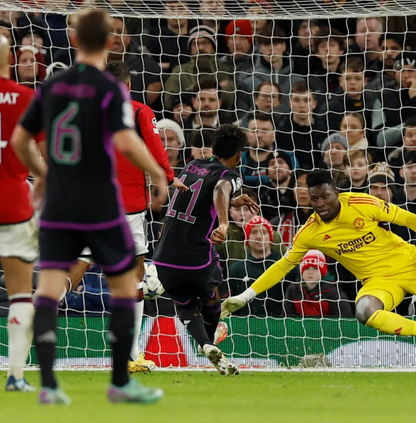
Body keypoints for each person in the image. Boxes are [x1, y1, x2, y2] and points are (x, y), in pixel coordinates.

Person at [12, 10, 166, 404]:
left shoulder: (51, 86)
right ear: (112, 41)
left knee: (47, 287)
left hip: (59, 202)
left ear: (75, 39)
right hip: (100, 201)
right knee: (124, 285)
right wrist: (158, 174)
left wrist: (42, 174)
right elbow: (127, 141)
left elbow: (19, 140)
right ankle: (120, 380)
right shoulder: (110, 88)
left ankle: (47, 385)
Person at [221, 169, 416, 363]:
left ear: (337, 193)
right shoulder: (310, 232)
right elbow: (281, 266)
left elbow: (406, 217)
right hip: (379, 281)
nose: (320, 203)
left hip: (408, 263)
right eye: (314, 199)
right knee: (365, 311)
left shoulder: (361, 203)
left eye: (325, 196)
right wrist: (245, 296)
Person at [59, 61, 188, 374]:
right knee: (135, 273)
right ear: (128, 86)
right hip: (126, 203)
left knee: (84, 259)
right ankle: (130, 355)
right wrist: (168, 177)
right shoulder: (139, 111)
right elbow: (156, 148)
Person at [152, 124, 259, 375]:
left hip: (164, 257)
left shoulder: (191, 166)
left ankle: (206, 345)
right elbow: (221, 189)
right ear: (239, 154)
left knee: (185, 304)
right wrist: (224, 221)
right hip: (195, 257)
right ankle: (213, 336)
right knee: (211, 296)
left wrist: (232, 201)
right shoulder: (230, 174)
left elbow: (202, 196)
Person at [0, 35, 43, 392]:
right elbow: (45, 153)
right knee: (20, 294)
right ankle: (15, 375)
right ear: (9, 60)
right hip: (13, 202)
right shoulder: (28, 98)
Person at [228, 216, 296, 317]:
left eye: (263, 232)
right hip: (244, 326)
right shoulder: (237, 269)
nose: (259, 237)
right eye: (254, 232)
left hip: (281, 326)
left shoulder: (286, 266)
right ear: (247, 238)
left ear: (271, 237)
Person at [284, 250, 352, 317]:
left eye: (315, 268)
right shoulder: (293, 289)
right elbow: (286, 316)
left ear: (322, 273)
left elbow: (345, 319)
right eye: (306, 268)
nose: (310, 272)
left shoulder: (333, 292)